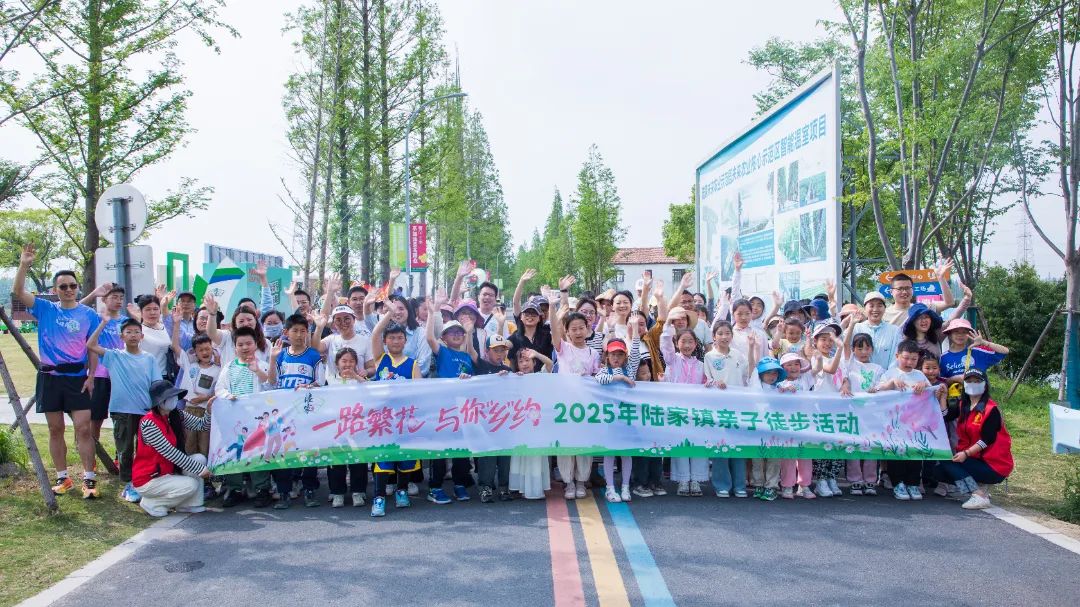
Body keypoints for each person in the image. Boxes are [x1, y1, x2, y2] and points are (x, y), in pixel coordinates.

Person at [14, 244, 101, 497]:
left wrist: (91, 376)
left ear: (78, 288)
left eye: (72, 285)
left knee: (83, 428)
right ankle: (63, 477)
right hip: (50, 378)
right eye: (63, 287)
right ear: (55, 290)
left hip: (77, 378)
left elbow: (92, 348)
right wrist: (24, 264)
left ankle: (89, 480)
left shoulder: (89, 315)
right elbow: (18, 291)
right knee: (55, 429)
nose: (68, 290)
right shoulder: (45, 308)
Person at [86, 313, 160, 502]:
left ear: (142, 336)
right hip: (122, 411)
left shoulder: (149, 359)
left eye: (136, 332)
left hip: (145, 411)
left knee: (144, 450)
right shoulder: (114, 356)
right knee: (125, 450)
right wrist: (103, 323)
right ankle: (129, 483)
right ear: (122, 336)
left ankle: (143, 480)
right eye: (129, 332)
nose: (133, 335)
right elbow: (91, 345)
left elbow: (156, 384)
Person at [269, 313, 326, 509]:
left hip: (307, 412)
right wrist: (272, 360)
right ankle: (284, 491)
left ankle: (309, 489)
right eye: (295, 331)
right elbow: (272, 382)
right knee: (284, 451)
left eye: (303, 331)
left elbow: (320, 382)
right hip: (284, 414)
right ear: (286, 333)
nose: (300, 335)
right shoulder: (280, 355)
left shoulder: (313, 356)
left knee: (309, 450)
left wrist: (309, 387)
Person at [131, 380, 212, 517]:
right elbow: (170, 452)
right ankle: (152, 503)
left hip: (167, 472)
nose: (173, 399)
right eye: (169, 397)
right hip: (149, 478)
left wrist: (209, 411)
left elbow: (202, 425)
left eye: (174, 396)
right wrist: (200, 470)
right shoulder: (149, 423)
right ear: (159, 402)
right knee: (191, 484)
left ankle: (189, 505)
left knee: (199, 458)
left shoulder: (176, 415)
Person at [368, 313, 422, 517]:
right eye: (392, 338)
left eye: (400, 337)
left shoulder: (413, 364)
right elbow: (375, 333)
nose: (396, 341)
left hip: (405, 421)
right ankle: (379, 497)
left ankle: (402, 491)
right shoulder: (380, 359)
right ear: (385, 341)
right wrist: (389, 313)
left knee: (405, 459)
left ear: (405, 340)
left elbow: (419, 393)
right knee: (383, 460)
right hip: (383, 421)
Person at [937, 369, 1014, 510]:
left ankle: (978, 494)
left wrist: (966, 454)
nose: (973, 384)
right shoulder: (963, 405)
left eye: (977, 381)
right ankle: (977, 488)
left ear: (985, 385)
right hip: (975, 459)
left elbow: (987, 439)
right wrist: (943, 397)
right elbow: (946, 417)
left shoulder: (991, 409)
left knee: (948, 464)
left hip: (994, 465)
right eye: (969, 381)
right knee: (936, 472)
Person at [216, 326, 274, 508]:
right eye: (240, 344)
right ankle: (235, 488)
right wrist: (228, 396)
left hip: (257, 419)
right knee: (235, 452)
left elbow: (271, 386)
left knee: (257, 452)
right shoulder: (229, 367)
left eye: (248, 343)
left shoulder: (262, 365)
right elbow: (219, 389)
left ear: (255, 344)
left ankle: (262, 489)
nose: (245, 347)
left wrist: (257, 371)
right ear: (235, 347)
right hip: (235, 420)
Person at [425, 301, 477, 504]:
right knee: (440, 449)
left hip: (462, 409)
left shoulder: (466, 357)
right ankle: (435, 487)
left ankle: (459, 484)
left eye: (459, 332)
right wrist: (432, 313)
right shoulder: (442, 352)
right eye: (451, 332)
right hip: (442, 409)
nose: (456, 335)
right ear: (444, 337)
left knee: (461, 450)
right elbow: (430, 338)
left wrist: (469, 332)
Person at [551, 300, 600, 499]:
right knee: (565, 445)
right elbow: (554, 331)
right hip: (565, 406)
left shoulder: (594, 353)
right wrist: (552, 307)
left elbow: (597, 377)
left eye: (581, 328)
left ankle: (581, 482)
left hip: (586, 406)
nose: (578, 332)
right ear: (567, 332)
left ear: (588, 329)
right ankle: (568, 483)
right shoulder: (563, 349)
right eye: (573, 329)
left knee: (584, 445)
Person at [876, 340, 933, 501]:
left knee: (915, 453)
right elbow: (877, 390)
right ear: (897, 356)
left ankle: (913, 483)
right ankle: (898, 483)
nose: (909, 362)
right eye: (906, 358)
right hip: (895, 423)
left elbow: (931, 394)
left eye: (913, 359)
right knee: (897, 454)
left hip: (915, 423)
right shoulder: (890, 373)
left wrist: (924, 385)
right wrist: (891, 383)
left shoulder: (920, 375)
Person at [704, 320, 751, 498]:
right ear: (714, 336)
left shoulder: (738, 355)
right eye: (720, 333)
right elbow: (706, 380)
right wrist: (715, 383)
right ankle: (722, 484)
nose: (724, 337)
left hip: (738, 407)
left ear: (732, 335)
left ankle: (739, 485)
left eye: (727, 333)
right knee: (721, 445)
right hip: (718, 408)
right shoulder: (709, 357)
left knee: (738, 446)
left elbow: (746, 377)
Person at [469, 332, 517, 503]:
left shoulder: (508, 370)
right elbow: (470, 350)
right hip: (485, 419)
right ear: (487, 351)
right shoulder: (481, 365)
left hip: (504, 419)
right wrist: (469, 330)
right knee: (487, 455)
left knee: (505, 455)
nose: (499, 354)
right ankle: (485, 487)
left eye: (502, 350)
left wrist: (515, 378)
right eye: (495, 350)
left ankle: (504, 487)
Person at [595, 330, 642, 503]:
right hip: (610, 421)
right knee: (610, 454)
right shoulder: (603, 371)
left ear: (625, 357)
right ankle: (610, 488)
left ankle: (625, 487)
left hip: (627, 419)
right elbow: (600, 379)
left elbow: (635, 353)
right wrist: (619, 377)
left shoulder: (630, 369)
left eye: (620, 354)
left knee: (626, 454)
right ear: (607, 356)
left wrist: (635, 330)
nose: (616, 358)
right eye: (613, 354)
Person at [174, 331, 220, 501]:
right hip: (189, 410)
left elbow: (218, 391)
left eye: (208, 348)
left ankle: (207, 483)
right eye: (201, 350)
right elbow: (175, 346)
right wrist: (176, 324)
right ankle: (189, 479)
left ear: (212, 349)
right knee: (189, 444)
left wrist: (205, 398)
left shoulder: (218, 370)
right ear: (195, 351)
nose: (205, 352)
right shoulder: (190, 366)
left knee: (205, 446)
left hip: (206, 412)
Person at [663, 329, 708, 496]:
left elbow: (707, 383)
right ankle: (682, 479)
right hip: (678, 410)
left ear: (696, 344)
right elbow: (666, 346)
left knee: (698, 443)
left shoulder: (701, 365)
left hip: (697, 411)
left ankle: (696, 479)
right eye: (683, 341)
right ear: (676, 343)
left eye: (690, 341)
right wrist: (668, 325)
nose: (687, 345)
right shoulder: (672, 360)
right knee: (680, 444)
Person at [326, 347, 370, 508]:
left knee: (358, 460)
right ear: (337, 363)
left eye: (351, 361)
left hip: (357, 427)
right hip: (336, 428)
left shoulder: (361, 379)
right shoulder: (329, 380)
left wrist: (356, 377)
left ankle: (358, 491)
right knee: (336, 460)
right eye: (344, 361)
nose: (347, 364)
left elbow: (372, 392)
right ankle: (337, 492)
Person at [508, 347, 554, 499]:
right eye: (521, 361)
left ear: (534, 362)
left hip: (537, 425)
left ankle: (534, 488)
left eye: (528, 360)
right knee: (521, 455)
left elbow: (550, 364)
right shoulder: (514, 378)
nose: (524, 364)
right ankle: (519, 487)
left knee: (536, 456)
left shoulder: (540, 376)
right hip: (520, 425)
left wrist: (537, 354)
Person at [843, 331, 884, 496]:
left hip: (872, 414)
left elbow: (883, 386)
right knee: (853, 446)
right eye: (859, 348)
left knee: (871, 446)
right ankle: (855, 480)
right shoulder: (849, 365)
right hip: (852, 412)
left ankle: (870, 480)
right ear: (853, 349)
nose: (863, 352)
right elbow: (844, 379)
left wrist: (878, 389)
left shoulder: (878, 369)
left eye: (867, 348)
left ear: (872, 349)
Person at [87, 284, 127, 446]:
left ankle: (121, 454)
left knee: (122, 418)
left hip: (120, 375)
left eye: (121, 298)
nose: (118, 301)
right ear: (104, 299)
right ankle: (92, 452)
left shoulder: (126, 322)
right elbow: (76, 309)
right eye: (114, 297)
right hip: (100, 375)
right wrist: (93, 294)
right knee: (96, 418)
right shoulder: (96, 318)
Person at [776, 352, 816, 500]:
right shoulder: (779, 383)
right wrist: (784, 390)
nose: (793, 367)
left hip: (805, 422)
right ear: (782, 367)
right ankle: (787, 485)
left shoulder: (805, 378)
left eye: (796, 364)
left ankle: (804, 485)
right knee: (788, 456)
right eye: (789, 364)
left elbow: (817, 368)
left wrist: (815, 354)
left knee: (805, 455)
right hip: (787, 424)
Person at [628, 360, 666, 498]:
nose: (648, 375)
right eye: (643, 373)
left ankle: (655, 481)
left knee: (656, 455)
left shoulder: (653, 387)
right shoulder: (632, 388)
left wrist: (662, 384)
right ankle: (639, 483)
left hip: (653, 428)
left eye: (648, 372)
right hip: (638, 430)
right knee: (641, 458)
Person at [750, 357, 785, 501]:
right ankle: (758, 484)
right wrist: (752, 348)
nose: (772, 376)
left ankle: (771, 486)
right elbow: (752, 367)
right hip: (757, 428)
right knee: (757, 458)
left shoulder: (780, 388)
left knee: (773, 458)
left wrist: (788, 390)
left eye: (775, 373)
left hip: (774, 428)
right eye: (768, 372)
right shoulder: (754, 387)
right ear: (760, 374)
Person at [882, 260, 957, 326]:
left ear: (912, 290)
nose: (904, 292)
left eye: (907, 288)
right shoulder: (883, 314)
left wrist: (941, 278)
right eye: (900, 289)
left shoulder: (922, 308)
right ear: (891, 292)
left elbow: (949, 303)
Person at [204, 293, 271, 368]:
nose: (246, 323)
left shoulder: (266, 343)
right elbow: (211, 333)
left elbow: (270, 368)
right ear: (235, 323)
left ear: (255, 320)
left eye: (249, 320)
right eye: (241, 321)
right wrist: (212, 314)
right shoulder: (227, 336)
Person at [854, 291, 903, 369]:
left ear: (884, 308)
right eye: (871, 306)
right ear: (864, 308)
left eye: (879, 306)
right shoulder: (856, 328)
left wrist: (888, 375)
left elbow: (895, 358)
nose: (875, 309)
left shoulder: (894, 331)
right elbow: (848, 352)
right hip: (859, 375)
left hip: (887, 375)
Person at [130, 295, 171, 382]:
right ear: (141, 312)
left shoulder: (166, 328)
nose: (152, 313)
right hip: (145, 377)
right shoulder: (138, 330)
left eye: (155, 309)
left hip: (166, 376)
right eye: (148, 309)